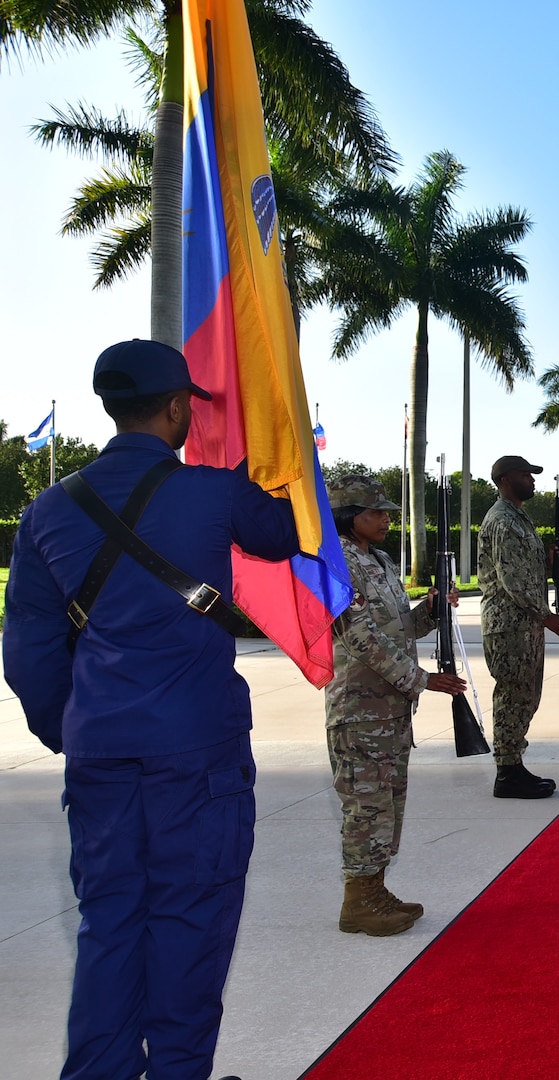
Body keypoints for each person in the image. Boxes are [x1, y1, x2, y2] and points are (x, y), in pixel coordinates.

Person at [3, 339, 299, 1080]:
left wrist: (73, 728)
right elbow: (287, 532)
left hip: (100, 752)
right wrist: (277, 445)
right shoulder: (211, 492)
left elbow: (30, 650)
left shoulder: (48, 509)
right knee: (189, 922)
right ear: (177, 407)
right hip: (195, 753)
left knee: (108, 925)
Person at [325, 475, 466, 937]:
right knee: (365, 808)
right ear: (349, 517)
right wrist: (422, 679)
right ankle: (357, 902)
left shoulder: (381, 561)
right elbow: (360, 637)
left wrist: (431, 609)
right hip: (359, 710)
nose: (386, 519)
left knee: (387, 806)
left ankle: (375, 889)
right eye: (375, 512)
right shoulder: (336, 562)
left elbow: (398, 628)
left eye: (387, 511)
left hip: (389, 711)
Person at [478, 455, 559, 796]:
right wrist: (548, 617)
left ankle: (514, 764)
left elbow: (527, 574)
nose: (532, 480)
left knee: (526, 696)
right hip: (509, 625)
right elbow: (513, 580)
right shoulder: (503, 520)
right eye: (525, 475)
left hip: (524, 623)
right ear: (505, 479)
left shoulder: (519, 518)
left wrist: (550, 561)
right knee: (512, 696)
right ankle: (506, 772)